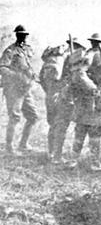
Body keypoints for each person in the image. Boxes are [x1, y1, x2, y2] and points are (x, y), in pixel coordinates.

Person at [69, 33, 101, 171]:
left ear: (92, 43)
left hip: (82, 99)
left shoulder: (83, 56)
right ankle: (95, 164)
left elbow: (77, 75)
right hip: (98, 98)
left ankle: (72, 160)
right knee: (96, 132)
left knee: (80, 130)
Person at [0, 25, 38, 155]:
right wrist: (16, 76)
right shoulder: (10, 51)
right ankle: (9, 148)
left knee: (33, 116)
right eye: (21, 34)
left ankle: (23, 144)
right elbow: (3, 68)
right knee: (15, 117)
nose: (23, 37)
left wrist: (31, 75)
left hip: (25, 88)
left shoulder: (28, 50)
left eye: (25, 35)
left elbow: (28, 66)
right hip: (14, 89)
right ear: (16, 35)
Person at [49, 37, 87, 164]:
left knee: (61, 125)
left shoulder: (71, 59)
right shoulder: (71, 59)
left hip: (70, 95)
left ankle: (55, 153)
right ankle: (56, 155)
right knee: (61, 126)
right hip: (68, 96)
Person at [39, 42, 68, 158]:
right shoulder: (61, 61)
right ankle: (57, 155)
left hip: (50, 96)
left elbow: (41, 79)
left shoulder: (47, 62)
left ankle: (51, 152)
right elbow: (63, 79)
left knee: (52, 124)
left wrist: (49, 91)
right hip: (58, 96)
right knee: (60, 125)